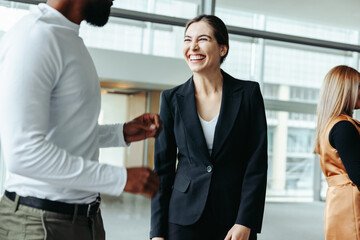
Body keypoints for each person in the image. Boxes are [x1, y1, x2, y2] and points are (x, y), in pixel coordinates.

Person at [0, 0, 161, 239]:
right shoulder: (35, 37)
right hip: (39, 224)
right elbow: (24, 153)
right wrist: (121, 179)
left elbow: (64, 131)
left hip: (85, 220)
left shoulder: (67, 37)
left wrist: (121, 133)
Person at [150, 14, 268, 240]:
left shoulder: (248, 94)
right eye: (187, 40)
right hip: (183, 217)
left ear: (222, 48)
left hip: (234, 217)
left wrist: (246, 220)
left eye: (202, 39)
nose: (193, 46)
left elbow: (256, 164)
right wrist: (157, 233)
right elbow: (162, 171)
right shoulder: (171, 99)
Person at [314, 65, 360, 240]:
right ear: (346, 90)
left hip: (339, 201)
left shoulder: (331, 124)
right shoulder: (344, 126)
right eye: (359, 86)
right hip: (353, 202)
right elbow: (357, 174)